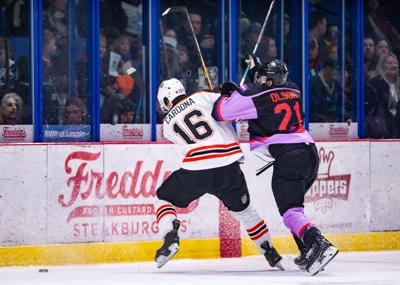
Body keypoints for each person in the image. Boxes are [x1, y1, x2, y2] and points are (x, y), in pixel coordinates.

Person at [212, 55, 338, 275]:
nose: (260, 81)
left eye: (263, 78)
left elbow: (221, 112)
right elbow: (268, 93)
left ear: (270, 80)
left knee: (289, 211)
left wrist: (227, 94)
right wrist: (251, 77)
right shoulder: (293, 90)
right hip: (309, 155)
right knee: (294, 207)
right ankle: (307, 249)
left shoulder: (257, 98)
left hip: (289, 158)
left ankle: (318, 243)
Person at [154, 78, 283, 270]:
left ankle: (170, 236)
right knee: (246, 212)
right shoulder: (204, 96)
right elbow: (229, 107)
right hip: (228, 167)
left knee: (163, 198)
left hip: (196, 169)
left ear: (166, 100)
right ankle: (271, 253)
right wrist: (227, 91)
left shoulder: (167, 125)